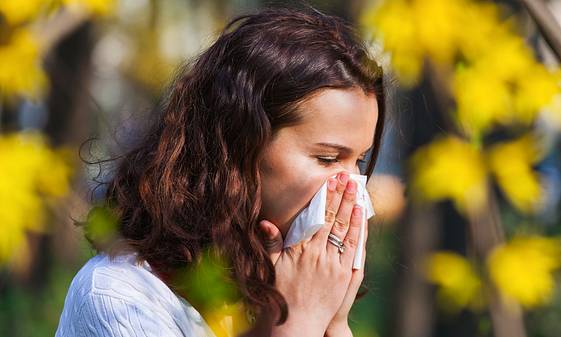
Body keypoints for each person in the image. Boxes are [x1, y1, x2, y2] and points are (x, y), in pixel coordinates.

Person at [55, 4, 386, 337]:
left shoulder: (266, 284)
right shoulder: (121, 297)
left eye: (359, 160)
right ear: (240, 145)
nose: (353, 188)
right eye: (328, 159)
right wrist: (297, 323)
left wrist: (333, 322)